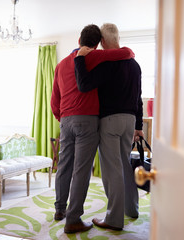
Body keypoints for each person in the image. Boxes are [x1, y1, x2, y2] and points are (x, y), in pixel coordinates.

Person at [50, 24, 135, 234]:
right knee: (82, 170)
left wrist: (63, 118)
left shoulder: (60, 65)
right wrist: (130, 51)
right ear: (97, 44)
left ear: (79, 39)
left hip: (66, 120)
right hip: (87, 121)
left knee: (64, 165)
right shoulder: (96, 58)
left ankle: (59, 209)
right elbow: (122, 53)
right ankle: (73, 218)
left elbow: (54, 101)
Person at [74, 23, 144, 231]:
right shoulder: (135, 64)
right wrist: (139, 126)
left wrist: (79, 59)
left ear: (103, 42)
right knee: (125, 164)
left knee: (111, 169)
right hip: (130, 121)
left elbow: (84, 84)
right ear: (118, 38)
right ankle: (132, 209)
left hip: (110, 121)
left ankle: (113, 219)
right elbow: (138, 98)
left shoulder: (107, 63)